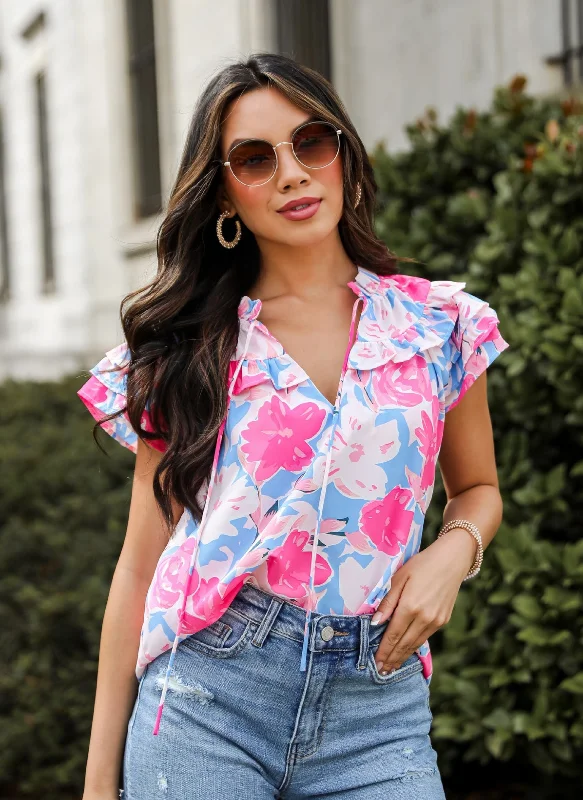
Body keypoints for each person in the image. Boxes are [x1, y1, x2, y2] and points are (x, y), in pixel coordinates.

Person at [78, 52, 509, 800]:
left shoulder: (438, 327)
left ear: (342, 153)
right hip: (207, 700)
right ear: (222, 194)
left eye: (311, 142)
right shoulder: (185, 351)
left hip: (377, 709)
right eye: (254, 158)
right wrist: (95, 782)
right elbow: (140, 566)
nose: (291, 172)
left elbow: (477, 488)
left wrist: (453, 552)